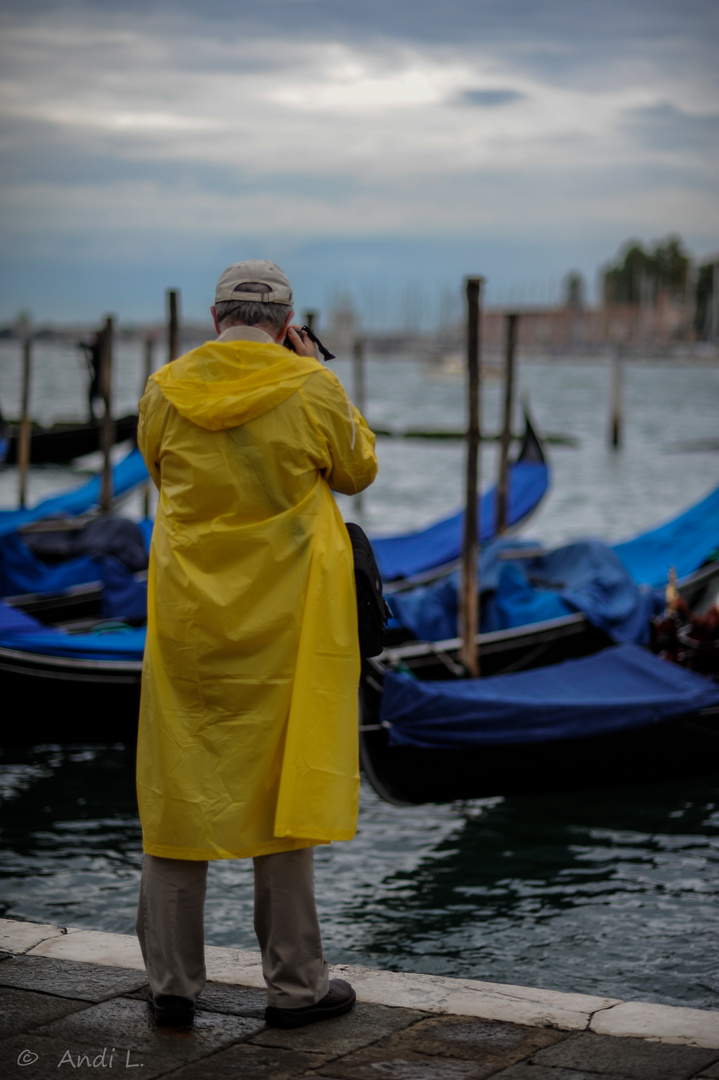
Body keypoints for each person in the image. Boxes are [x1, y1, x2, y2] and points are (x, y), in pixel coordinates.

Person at [135, 260, 377, 1030]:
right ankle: (295, 988)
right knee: (285, 793)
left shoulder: (164, 387)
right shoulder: (313, 388)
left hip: (189, 621)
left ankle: (171, 985)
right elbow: (356, 471)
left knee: (178, 792)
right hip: (289, 620)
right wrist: (311, 371)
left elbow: (156, 467)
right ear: (286, 322)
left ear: (214, 318)